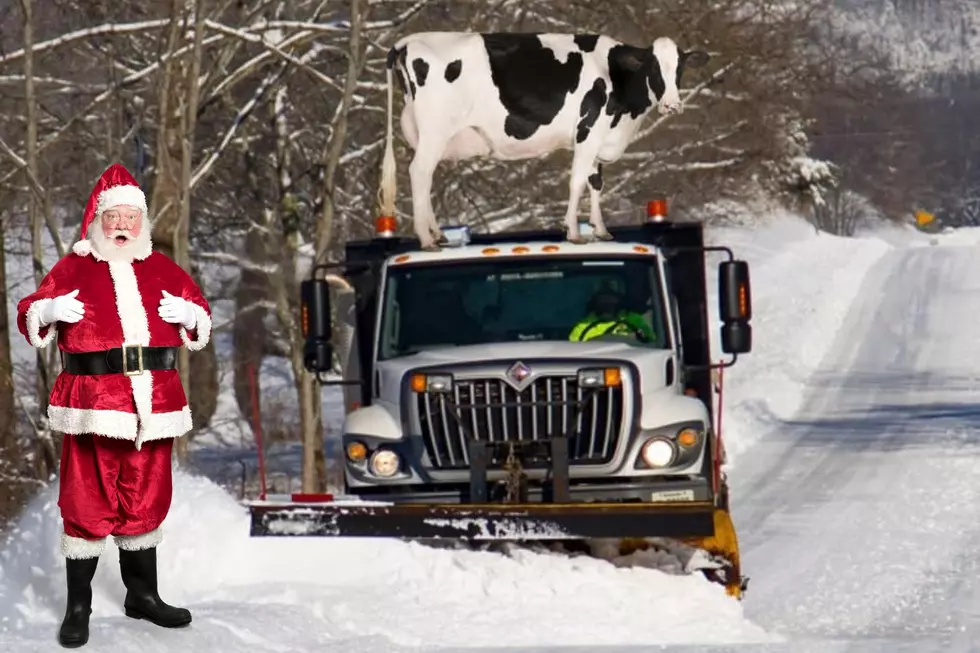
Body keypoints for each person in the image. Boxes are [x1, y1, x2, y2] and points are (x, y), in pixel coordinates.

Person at [16, 164, 212, 647]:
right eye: (113, 217)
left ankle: (142, 595)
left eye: (130, 216)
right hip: (93, 402)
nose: (122, 225)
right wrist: (46, 311)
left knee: (146, 498)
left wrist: (191, 315)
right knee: (87, 500)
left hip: (153, 402)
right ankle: (78, 606)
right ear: (98, 220)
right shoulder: (73, 267)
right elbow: (28, 314)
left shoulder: (163, 268)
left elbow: (201, 316)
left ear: (141, 221)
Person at [568, 278, 656, 343]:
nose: (607, 301)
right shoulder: (582, 327)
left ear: (619, 299)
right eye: (603, 298)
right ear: (595, 300)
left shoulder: (634, 320)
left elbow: (651, 344)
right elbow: (573, 351)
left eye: (611, 297)